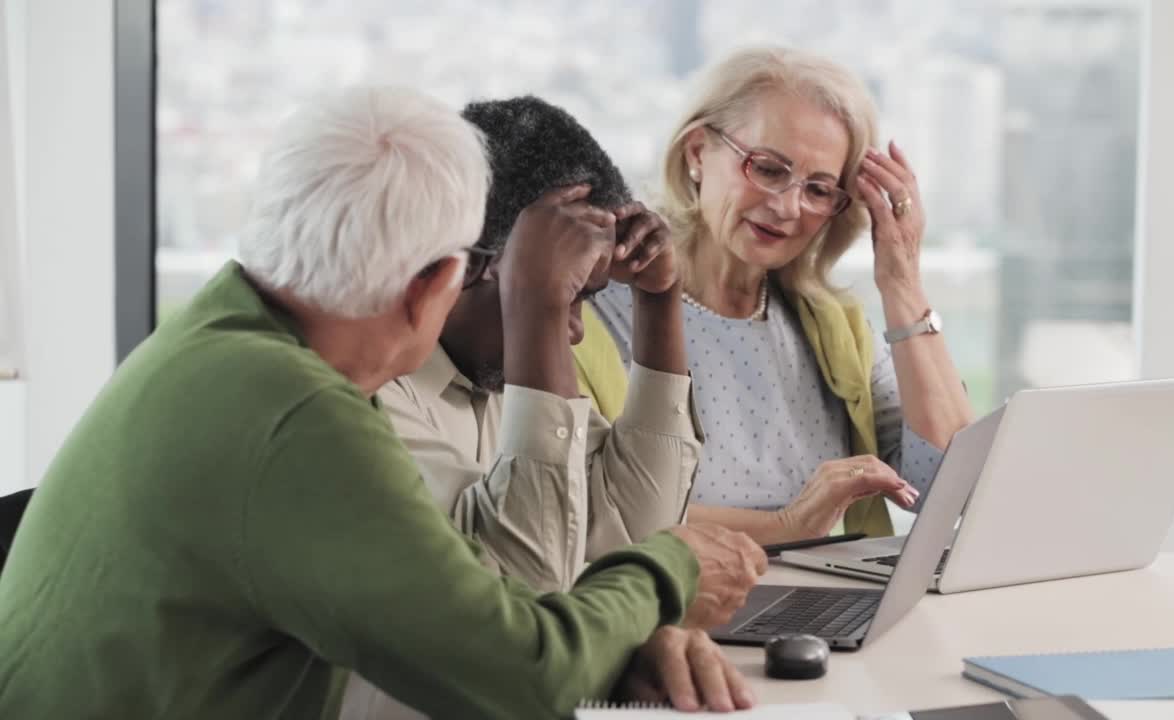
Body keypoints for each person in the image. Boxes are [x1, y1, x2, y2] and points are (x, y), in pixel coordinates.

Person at [0, 85, 763, 719]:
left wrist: (614, 643)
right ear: (437, 284)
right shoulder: (297, 416)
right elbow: (519, 679)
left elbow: (483, 631)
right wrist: (671, 568)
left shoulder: (222, 340)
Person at [574, 46, 975, 544]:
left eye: (819, 190)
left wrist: (902, 282)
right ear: (697, 152)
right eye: (767, 169)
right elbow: (582, 512)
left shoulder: (834, 328)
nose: (788, 207)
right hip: (669, 616)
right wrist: (784, 528)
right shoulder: (587, 316)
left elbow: (952, 486)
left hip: (830, 616)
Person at [377, 95, 707, 595]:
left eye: (584, 301)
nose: (572, 332)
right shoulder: (373, 394)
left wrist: (658, 299)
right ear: (467, 266)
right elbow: (527, 589)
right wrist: (537, 308)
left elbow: (637, 532)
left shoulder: (505, 379)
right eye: (564, 299)